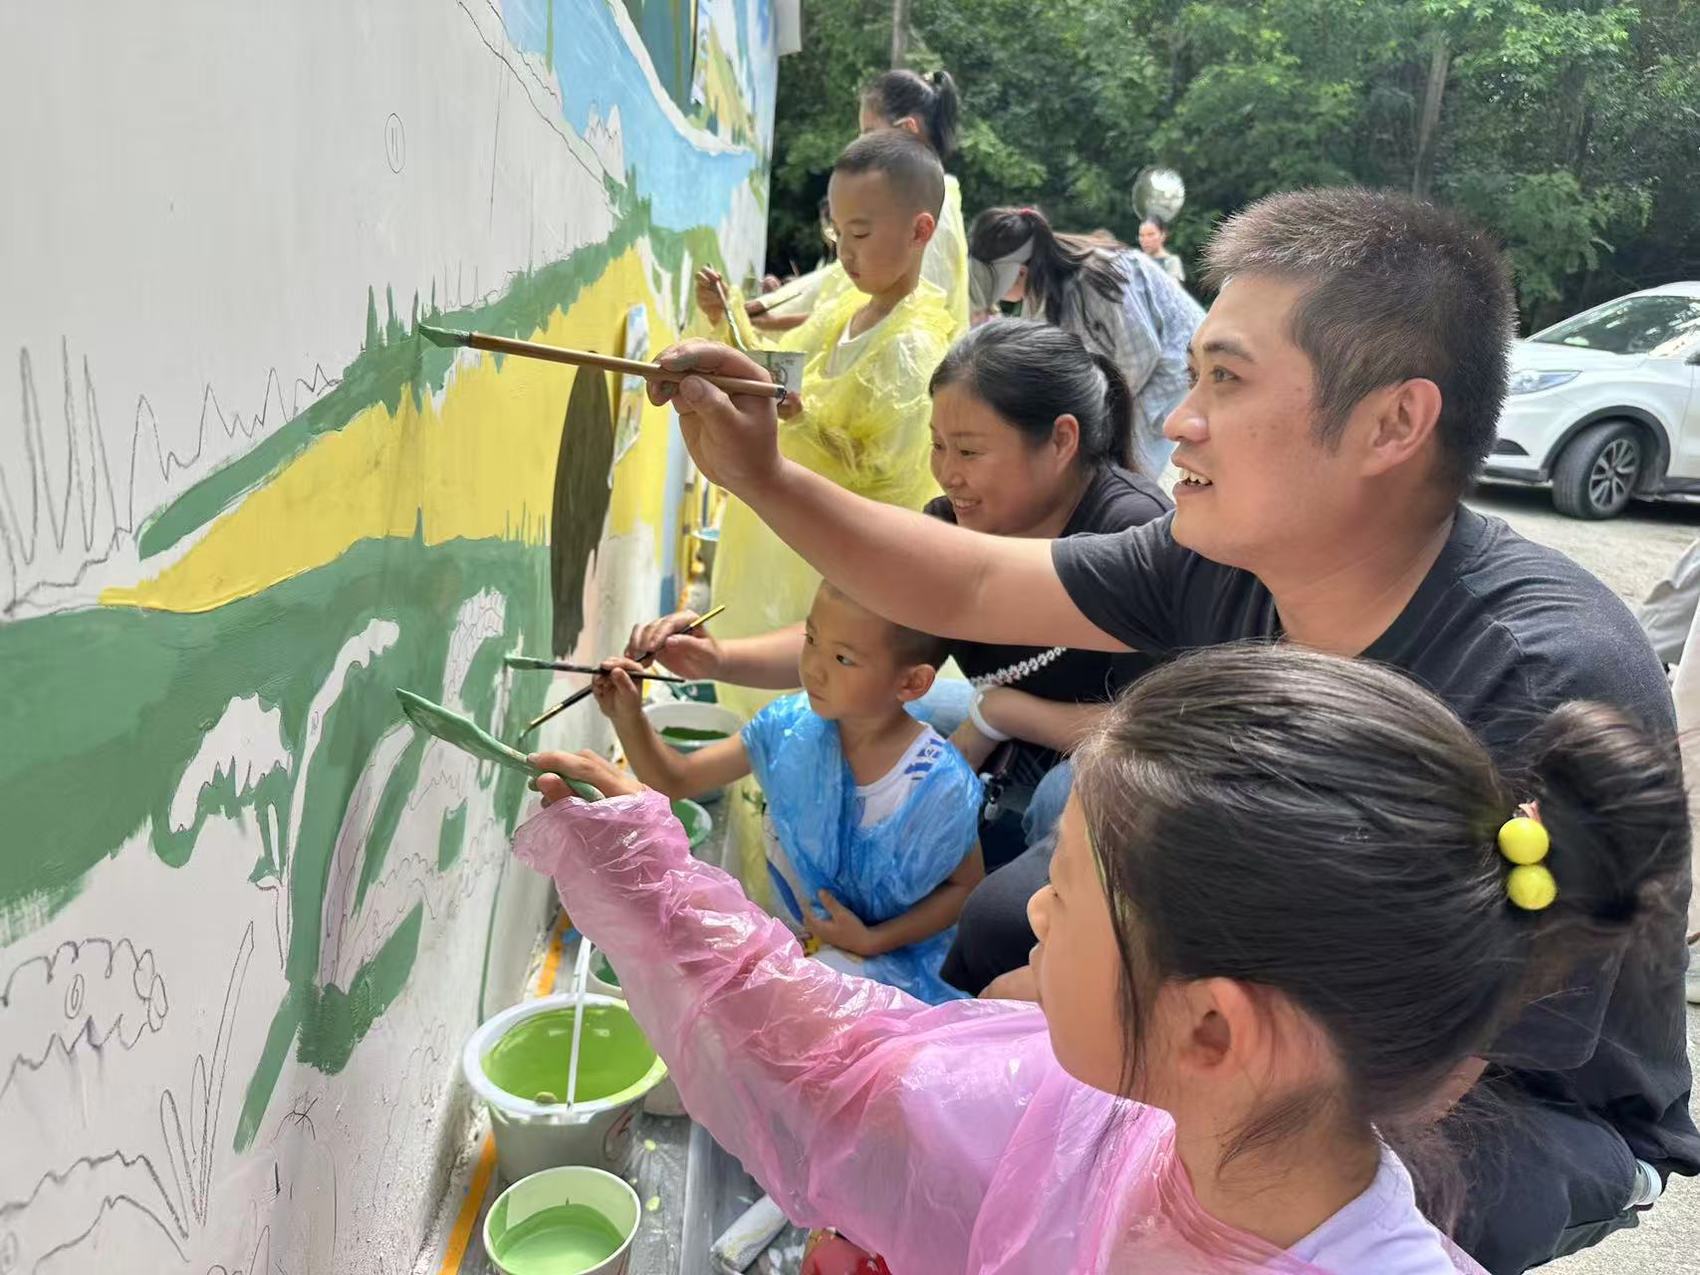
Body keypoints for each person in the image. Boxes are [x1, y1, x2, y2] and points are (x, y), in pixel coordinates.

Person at [642, 186, 1700, 1273]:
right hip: (1275, 956)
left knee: (1200, 1165)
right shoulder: (1231, 557)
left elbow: (1441, 1049)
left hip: (1491, 1086)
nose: (1178, 420)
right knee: (1006, 932)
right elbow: (969, 584)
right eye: (1191, 374)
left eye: (1225, 380)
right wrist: (761, 475)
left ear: (1392, 423)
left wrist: (1096, 1051)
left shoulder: (1536, 674)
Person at [521, 645, 1690, 1274]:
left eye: (1066, 891)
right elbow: (834, 1055)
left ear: (1211, 1028)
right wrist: (649, 876)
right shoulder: (1125, 1116)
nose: (1033, 911)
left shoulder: (1109, 1118)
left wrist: (651, 877)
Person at [627, 319, 1169, 879]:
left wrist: (1001, 714)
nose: (948, 474)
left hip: (1123, 752)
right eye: (938, 445)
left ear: (1060, 441)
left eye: (969, 450)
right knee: (847, 712)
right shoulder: (956, 520)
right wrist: (719, 659)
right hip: (1007, 727)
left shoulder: (1133, 533)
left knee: (1068, 798)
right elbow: (859, 640)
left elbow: (1161, 732)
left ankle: (1033, 922)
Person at [583, 579, 982, 1004]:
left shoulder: (935, 783)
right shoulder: (788, 729)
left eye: (843, 658)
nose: (814, 668)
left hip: (900, 976)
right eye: (811, 639)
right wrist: (627, 716)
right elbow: (677, 779)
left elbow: (966, 888)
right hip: (796, 949)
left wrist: (872, 941)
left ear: (912, 682)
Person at [970, 206, 1202, 475]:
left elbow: (1140, 356)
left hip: (1173, 370)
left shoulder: (1097, 277)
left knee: (1130, 473)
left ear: (1020, 272)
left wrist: (1091, 410)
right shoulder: (1043, 292)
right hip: (1137, 380)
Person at [751, 69, 970, 335]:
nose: (844, 253)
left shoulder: (927, 212)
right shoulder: (926, 204)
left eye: (868, 133)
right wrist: (774, 306)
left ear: (907, 131)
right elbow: (846, 301)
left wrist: (772, 318)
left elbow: (885, 318)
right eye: (838, 232)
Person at [1139, 214, 1186, 283]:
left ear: (1162, 235)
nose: (1145, 240)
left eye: (1150, 235)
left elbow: (1171, 287)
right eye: (1141, 235)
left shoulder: (1171, 262)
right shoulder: (1136, 261)